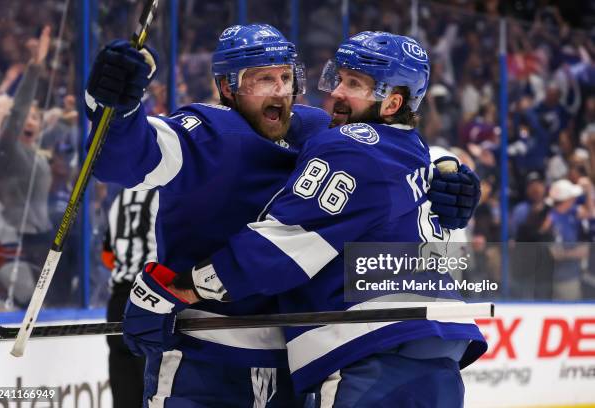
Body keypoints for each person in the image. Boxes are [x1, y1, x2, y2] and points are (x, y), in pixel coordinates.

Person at [86, 25, 479, 407]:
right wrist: (117, 109)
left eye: (285, 77)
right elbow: (119, 160)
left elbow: (393, 149)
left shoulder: (322, 128)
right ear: (228, 87)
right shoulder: (204, 134)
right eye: (262, 79)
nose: (280, 91)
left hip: (290, 368)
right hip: (206, 356)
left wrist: (449, 177)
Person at [101, 188, 158, 408]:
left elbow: (107, 256)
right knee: (156, 388)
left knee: (123, 386)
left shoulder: (119, 198)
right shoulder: (168, 192)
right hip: (152, 299)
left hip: (118, 299)